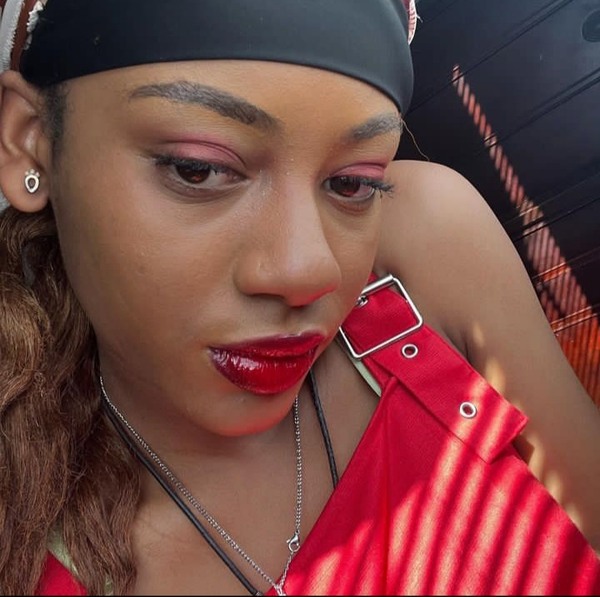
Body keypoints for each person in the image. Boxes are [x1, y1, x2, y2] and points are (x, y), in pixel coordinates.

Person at [0, 0, 598, 595]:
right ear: (29, 142)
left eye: (352, 183)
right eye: (198, 170)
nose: (309, 270)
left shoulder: (424, 244)